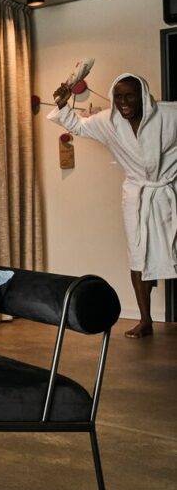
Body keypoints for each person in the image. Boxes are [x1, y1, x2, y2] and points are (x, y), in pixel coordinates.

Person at [50, 72, 177, 338]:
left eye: (129, 96)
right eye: (118, 97)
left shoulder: (168, 115)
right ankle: (145, 320)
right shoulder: (109, 121)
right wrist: (62, 103)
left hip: (168, 192)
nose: (123, 102)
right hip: (137, 196)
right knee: (138, 255)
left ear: (143, 96)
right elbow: (78, 126)